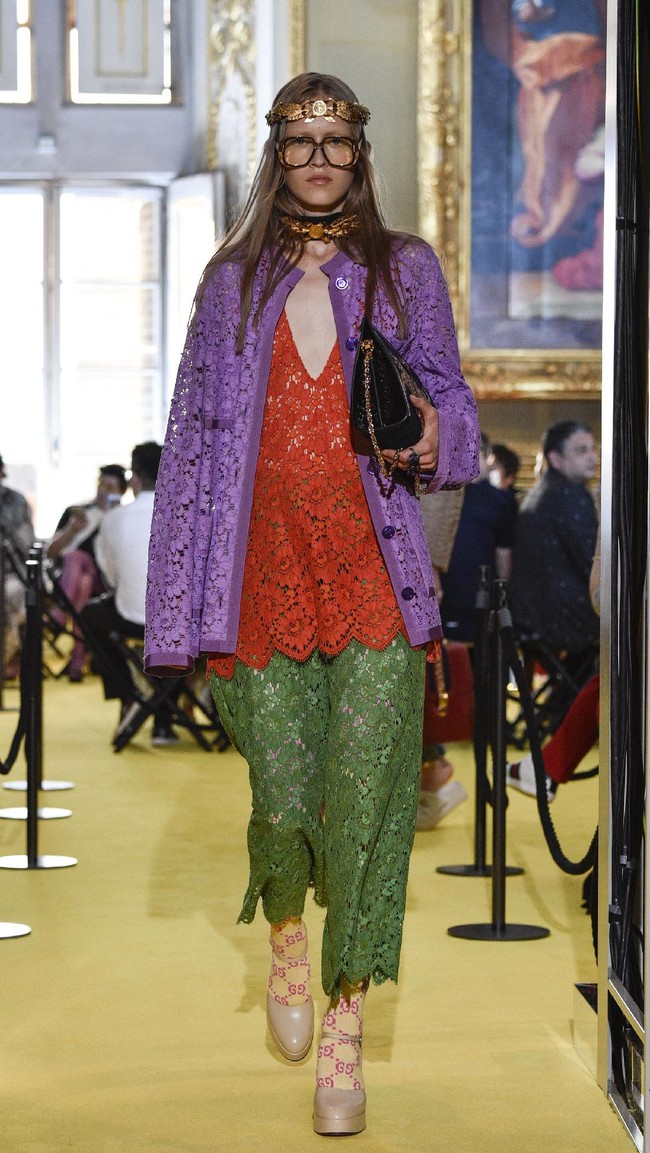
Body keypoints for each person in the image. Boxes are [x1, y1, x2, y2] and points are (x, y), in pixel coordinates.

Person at [144, 72, 480, 1137]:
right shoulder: (228, 282)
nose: (321, 156)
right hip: (259, 587)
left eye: (338, 139)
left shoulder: (403, 269)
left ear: (360, 155)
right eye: (302, 140)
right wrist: (176, 609)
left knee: (371, 817)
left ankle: (344, 1034)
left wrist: (435, 431)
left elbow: (451, 397)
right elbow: (192, 443)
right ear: (277, 155)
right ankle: (285, 928)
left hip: (376, 581)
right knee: (285, 801)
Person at [82, 442, 178, 747]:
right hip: (181, 625)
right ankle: (164, 720)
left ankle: (128, 692)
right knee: (178, 631)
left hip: (130, 615)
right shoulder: (186, 516)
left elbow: (110, 578)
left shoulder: (114, 519)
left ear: (134, 478)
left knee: (89, 615)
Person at [508, 420, 599, 674]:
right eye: (582, 451)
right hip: (564, 619)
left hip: (530, 617)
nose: (593, 457)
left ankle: (565, 709)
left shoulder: (540, 492)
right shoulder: (570, 494)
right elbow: (592, 566)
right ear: (555, 458)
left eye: (593, 449)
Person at [47, 464, 128, 681]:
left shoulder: (122, 518)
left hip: (104, 582)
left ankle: (60, 614)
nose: (103, 490)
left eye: (110, 486)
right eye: (101, 484)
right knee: (80, 575)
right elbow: (51, 552)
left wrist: (112, 521)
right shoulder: (78, 513)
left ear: (122, 491)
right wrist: (72, 530)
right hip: (74, 582)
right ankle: (77, 658)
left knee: (78, 560)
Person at [440, 432, 518, 644]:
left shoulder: (433, 497)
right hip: (481, 603)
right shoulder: (500, 500)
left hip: (442, 602)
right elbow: (504, 559)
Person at [0, 453, 35, 676]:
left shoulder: (16, 501)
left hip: (12, 572)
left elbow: (26, 543)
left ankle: (7, 656)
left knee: (10, 593)